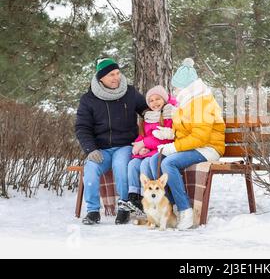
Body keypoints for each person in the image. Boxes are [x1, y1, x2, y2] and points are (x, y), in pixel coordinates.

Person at [149, 58, 225, 230]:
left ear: (186, 87)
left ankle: (186, 211)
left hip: (209, 148)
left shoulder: (202, 103)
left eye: (176, 87)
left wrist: (173, 147)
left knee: (169, 162)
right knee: (156, 160)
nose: (174, 91)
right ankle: (172, 206)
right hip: (197, 146)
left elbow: (201, 138)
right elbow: (187, 130)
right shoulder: (189, 102)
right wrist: (170, 133)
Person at [75, 58, 148, 225]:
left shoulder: (129, 92)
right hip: (100, 149)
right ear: (101, 78)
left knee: (121, 167)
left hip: (124, 145)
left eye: (117, 73)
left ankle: (123, 207)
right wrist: (90, 149)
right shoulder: (88, 99)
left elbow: (145, 108)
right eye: (111, 75)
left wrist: (151, 114)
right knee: (91, 170)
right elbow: (82, 127)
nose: (116, 78)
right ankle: (93, 211)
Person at [124, 85, 177, 214]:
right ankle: (133, 196)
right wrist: (139, 147)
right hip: (147, 152)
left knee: (145, 164)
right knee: (132, 164)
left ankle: (146, 197)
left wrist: (144, 143)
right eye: (151, 100)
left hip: (160, 151)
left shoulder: (169, 115)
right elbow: (142, 136)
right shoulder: (148, 117)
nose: (155, 103)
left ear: (164, 99)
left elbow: (165, 139)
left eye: (158, 99)